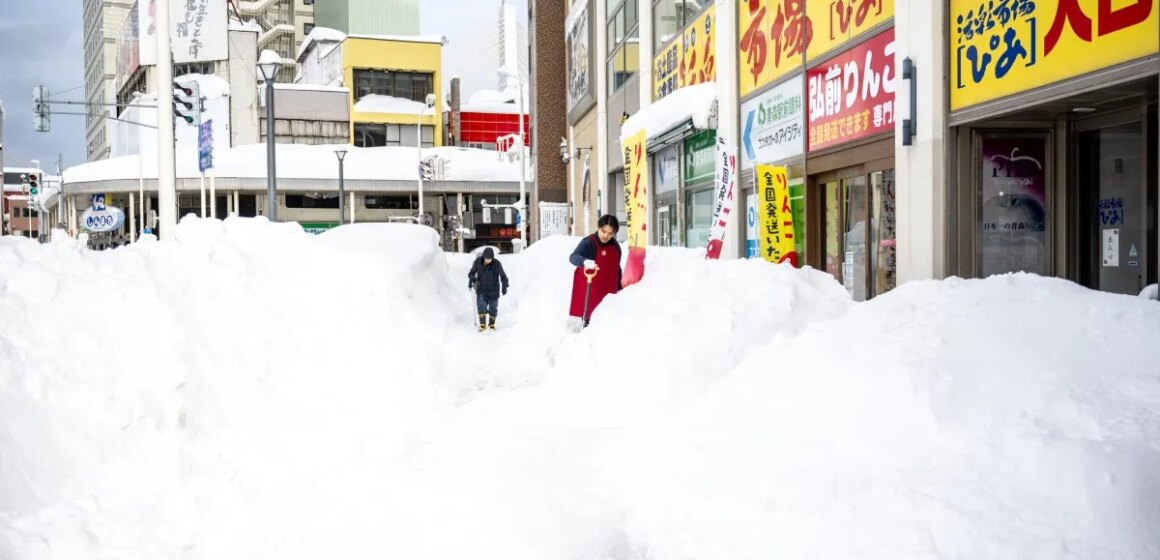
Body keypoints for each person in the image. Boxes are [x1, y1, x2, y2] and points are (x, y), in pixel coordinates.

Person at [568, 215, 623, 326]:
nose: (606, 236)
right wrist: (584, 261)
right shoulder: (589, 243)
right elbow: (573, 257)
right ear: (598, 227)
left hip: (608, 295)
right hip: (591, 294)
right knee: (591, 324)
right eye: (603, 231)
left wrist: (620, 288)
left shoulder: (615, 246)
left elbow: (617, 269)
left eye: (610, 233)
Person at [469, 247, 509, 331]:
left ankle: (491, 325)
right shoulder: (478, 262)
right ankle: (482, 325)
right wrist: (473, 279)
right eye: (486, 259)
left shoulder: (497, 264)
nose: (488, 260)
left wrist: (504, 286)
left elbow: (503, 276)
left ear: (492, 258)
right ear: (483, 257)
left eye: (489, 259)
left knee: (493, 308)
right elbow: (471, 273)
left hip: (494, 290)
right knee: (481, 307)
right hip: (481, 289)